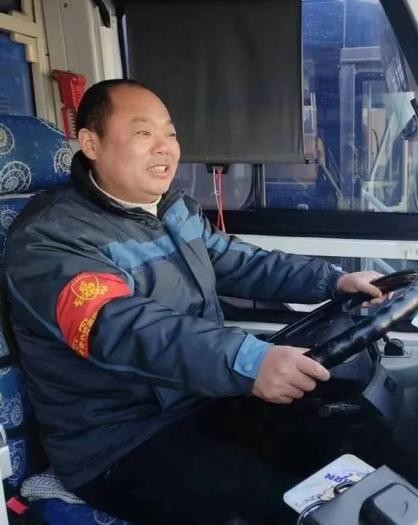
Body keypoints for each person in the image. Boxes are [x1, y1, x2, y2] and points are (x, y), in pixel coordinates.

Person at [3, 79, 387, 524]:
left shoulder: (170, 208)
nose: (164, 147)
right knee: (269, 503)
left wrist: (334, 281)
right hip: (119, 442)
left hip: (200, 399)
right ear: (91, 143)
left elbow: (238, 262)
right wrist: (248, 360)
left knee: (345, 433)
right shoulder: (48, 239)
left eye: (170, 132)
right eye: (143, 132)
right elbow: (123, 327)